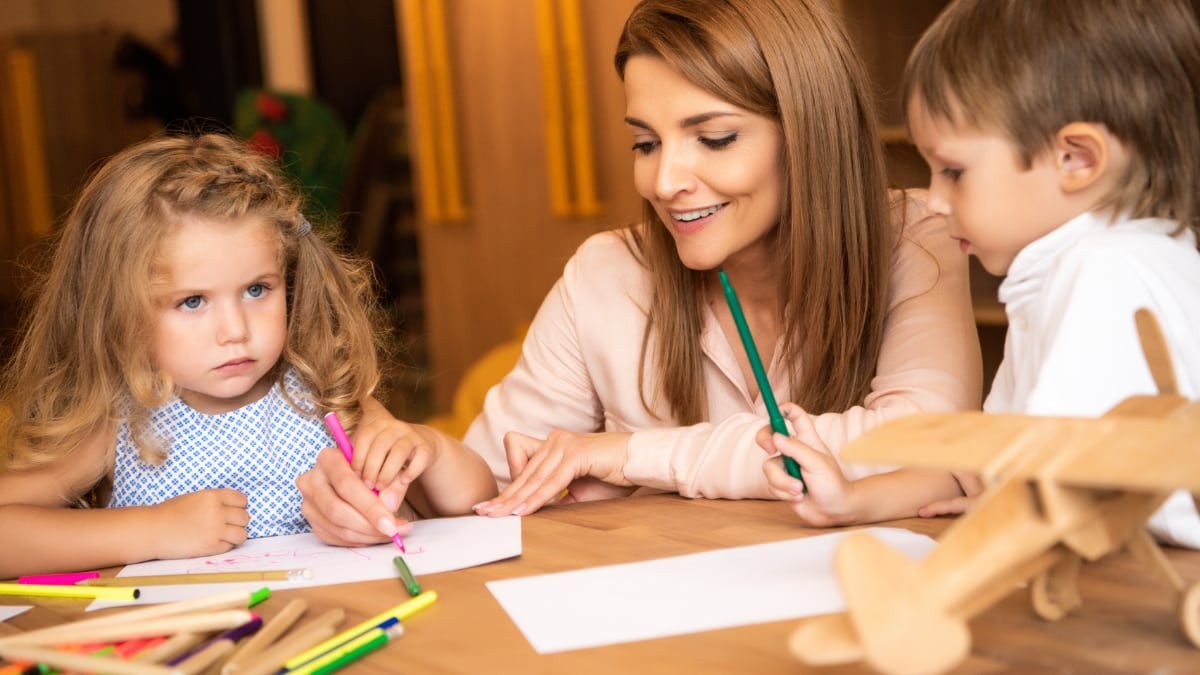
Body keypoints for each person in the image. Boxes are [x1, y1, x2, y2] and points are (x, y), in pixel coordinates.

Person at [298, 0, 982, 541]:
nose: (665, 179)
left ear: (810, 131)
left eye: (713, 138)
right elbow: (498, 485)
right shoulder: (605, 275)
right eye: (645, 142)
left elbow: (924, 444)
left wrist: (628, 455)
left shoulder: (916, 235)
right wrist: (416, 458)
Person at [0, 133, 496, 578]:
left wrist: (426, 449)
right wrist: (152, 531)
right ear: (119, 312)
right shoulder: (122, 420)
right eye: (192, 301)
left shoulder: (322, 397)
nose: (235, 331)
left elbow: (475, 502)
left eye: (258, 289)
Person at [888, 0, 1200, 547]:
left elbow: (1056, 475)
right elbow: (1005, 454)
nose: (934, 201)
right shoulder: (1063, 271)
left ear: (1076, 158)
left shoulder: (1101, 270)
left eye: (954, 171)